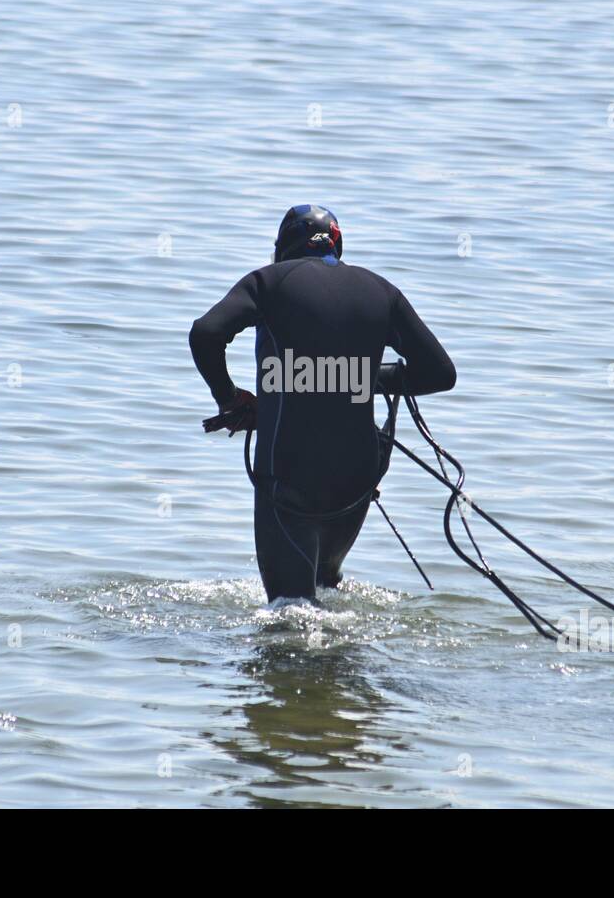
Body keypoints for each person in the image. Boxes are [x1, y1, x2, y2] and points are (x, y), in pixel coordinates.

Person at [189, 205, 456, 602]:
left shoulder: (268, 282)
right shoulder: (381, 291)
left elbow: (206, 333)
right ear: (338, 243)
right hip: (356, 481)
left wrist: (229, 398)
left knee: (290, 615)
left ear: (282, 248)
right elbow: (439, 373)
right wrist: (362, 378)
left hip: (290, 476)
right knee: (324, 601)